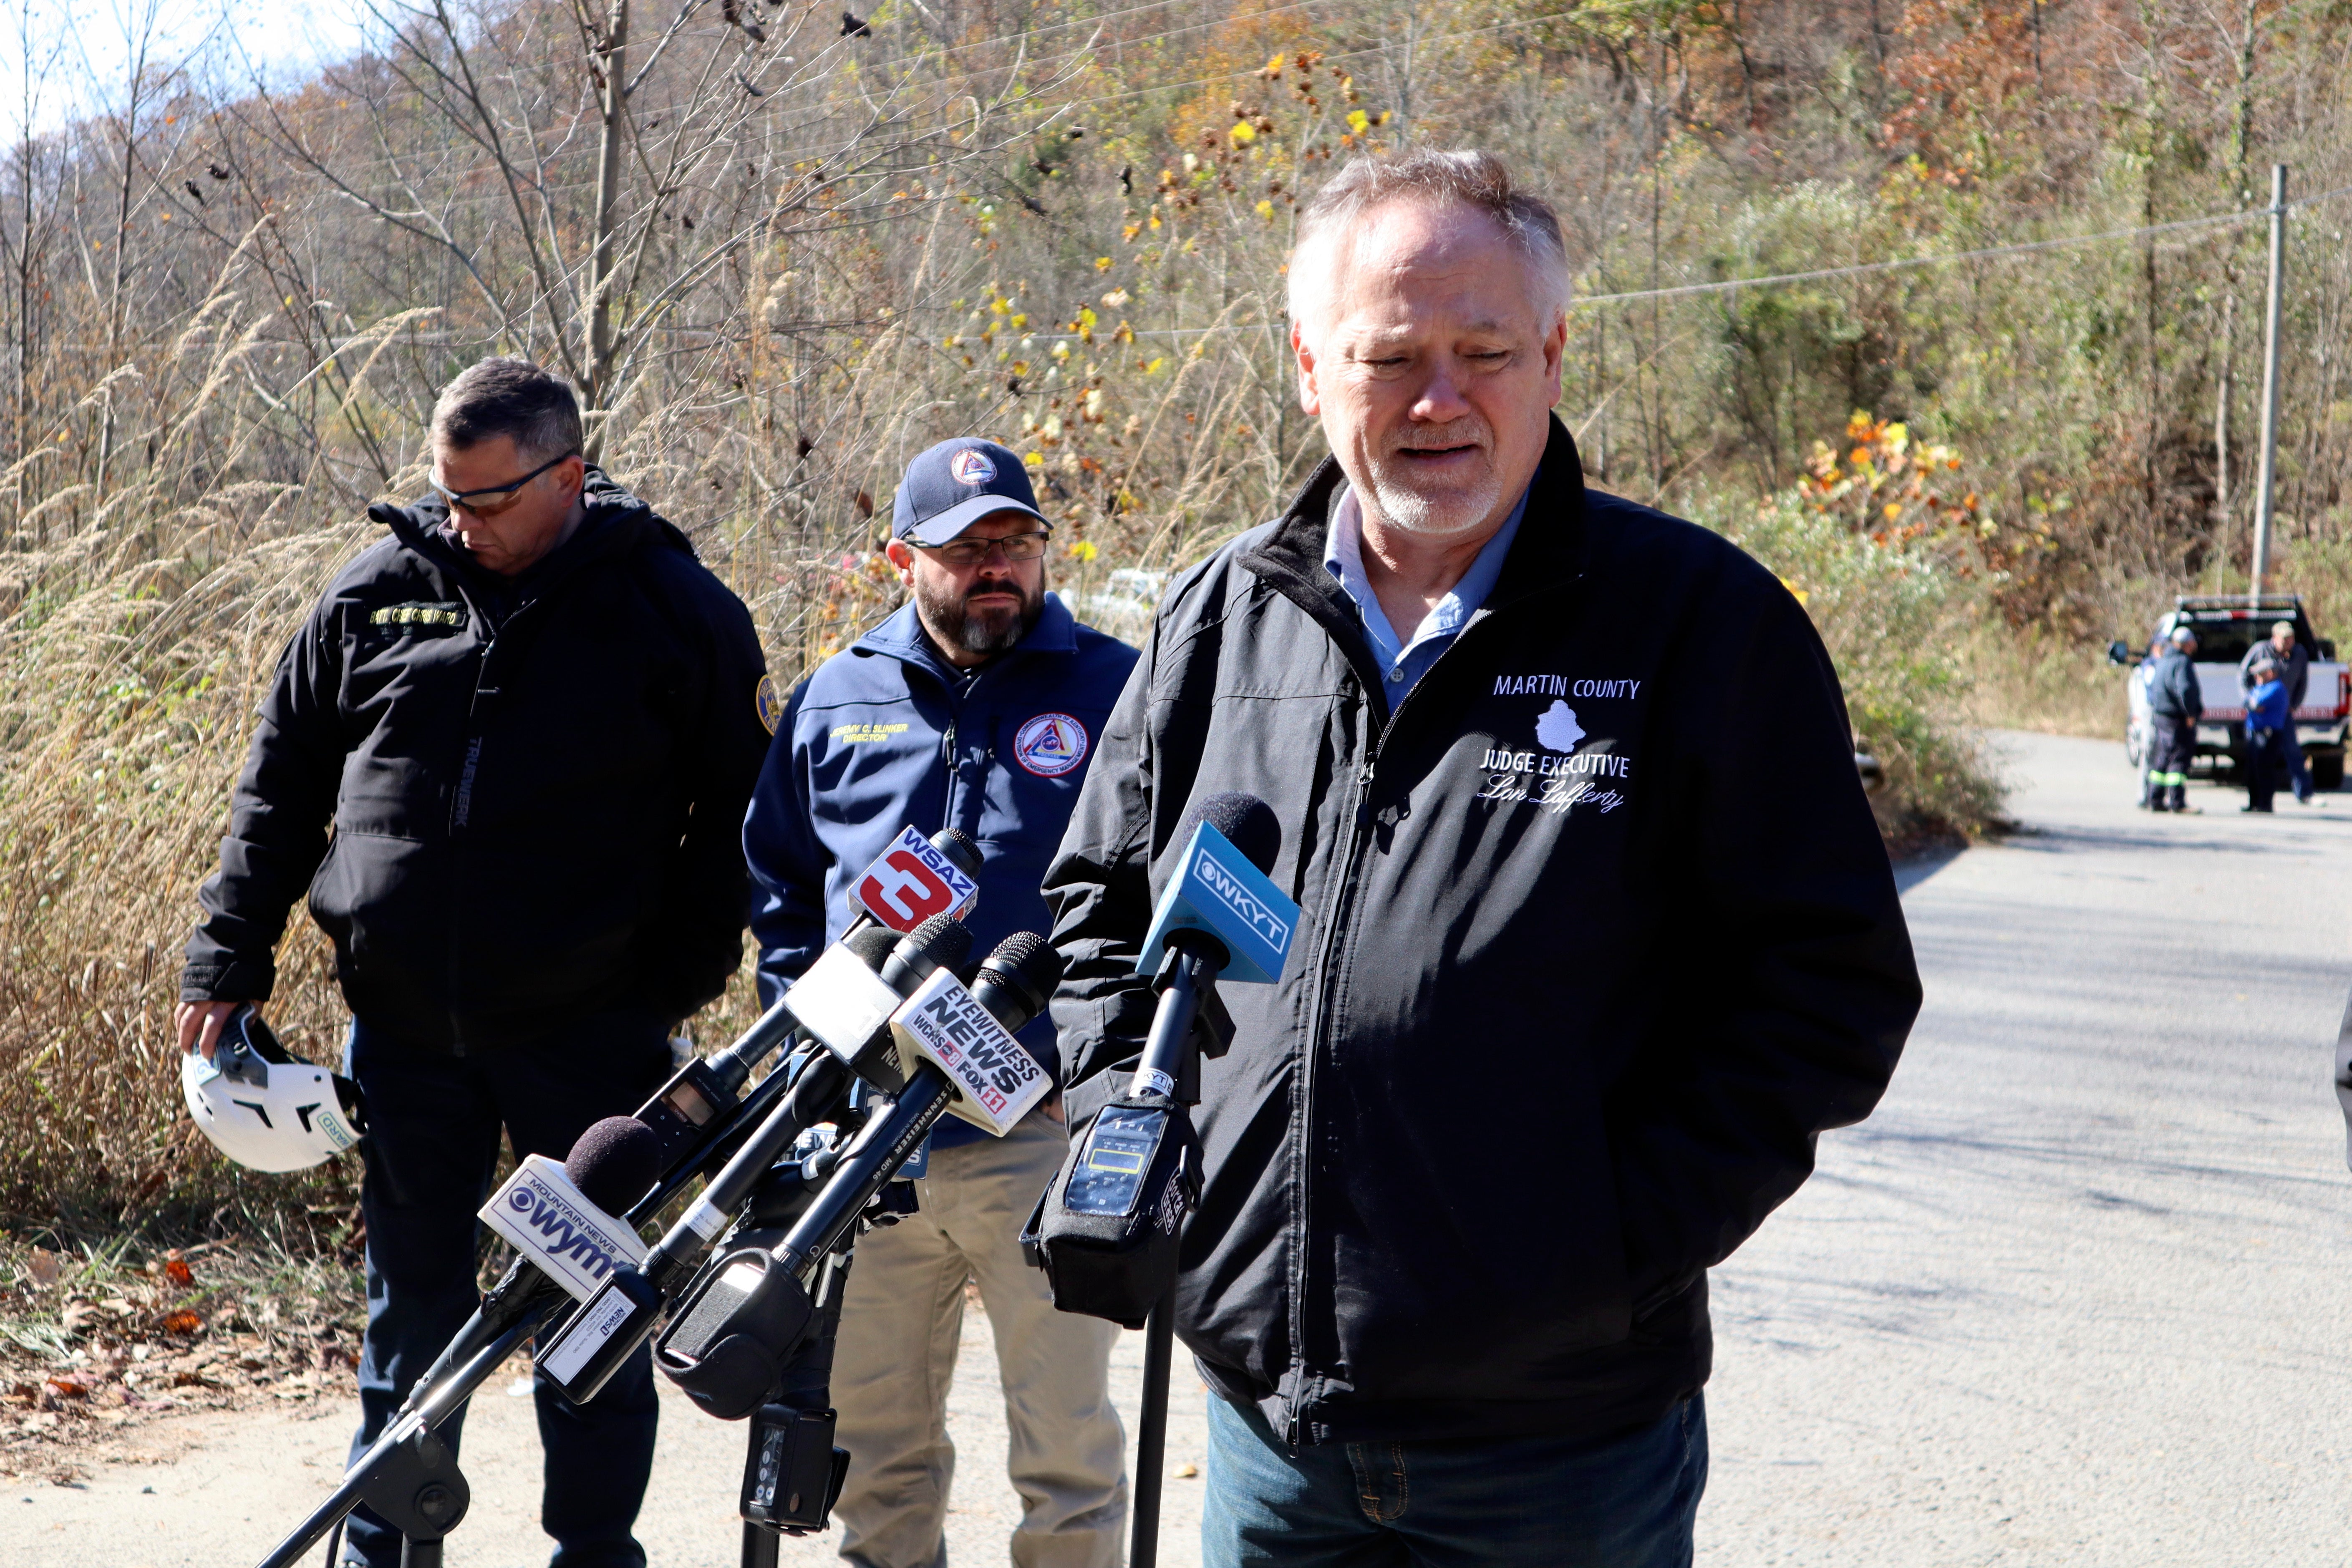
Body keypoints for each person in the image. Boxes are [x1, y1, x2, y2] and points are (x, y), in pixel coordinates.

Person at [1042, 149, 1922, 1568]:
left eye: (1484, 351)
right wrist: (1133, 1141)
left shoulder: (1698, 623)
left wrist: (1596, 1252)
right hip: (1272, 1443)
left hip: (1561, 1454)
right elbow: (1094, 913)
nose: (1439, 399)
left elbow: (1823, 993)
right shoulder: (1217, 619)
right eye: (1389, 355)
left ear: (1555, 352)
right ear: (1307, 364)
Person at [175, 358, 771, 1568]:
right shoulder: (376, 595)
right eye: (446, 495)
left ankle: (594, 1548)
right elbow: (279, 786)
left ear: (567, 474)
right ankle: (386, 1545)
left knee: (590, 1306)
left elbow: (740, 813)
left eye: (488, 500)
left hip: (590, 1039)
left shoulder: (671, 605)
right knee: (413, 1311)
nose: (462, 522)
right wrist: (226, 952)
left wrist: (673, 979)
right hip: (405, 1036)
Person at [742, 436, 1138, 1568]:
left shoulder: (1117, 689)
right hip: (868, 1146)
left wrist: (1103, 1077)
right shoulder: (833, 695)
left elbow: (1161, 889)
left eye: (1013, 542)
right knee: (876, 1455)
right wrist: (812, 1045)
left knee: (1067, 1456)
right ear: (899, 557)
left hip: (1041, 1133)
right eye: (964, 549)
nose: (994, 567)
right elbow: (777, 884)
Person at [2239, 619, 2313, 803]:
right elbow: (2242, 675)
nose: (2289, 642)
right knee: (2257, 756)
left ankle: (2304, 793)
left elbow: (2303, 682)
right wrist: (2250, 701)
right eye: (2285, 639)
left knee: (2293, 751)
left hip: (2284, 713)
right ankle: (2257, 800)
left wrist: (2295, 705)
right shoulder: (2260, 650)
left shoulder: (2300, 654)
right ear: (2275, 639)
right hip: (2261, 713)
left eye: (2292, 638)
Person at [2145, 625, 2203, 813]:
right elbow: (2185, 690)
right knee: (2179, 757)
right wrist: (2190, 714)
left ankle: (2155, 799)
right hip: (2178, 719)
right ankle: (2177, 802)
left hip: (2162, 717)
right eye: (2193, 643)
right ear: (2187, 644)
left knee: (2162, 757)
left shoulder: (2162, 661)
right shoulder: (2182, 663)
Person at [2243, 656, 2290, 813]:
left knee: (2265, 768)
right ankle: (2254, 803)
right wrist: (2253, 705)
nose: (2257, 678)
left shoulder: (2276, 688)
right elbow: (2248, 703)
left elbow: (2256, 704)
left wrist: (2254, 705)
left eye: (2260, 674)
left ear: (2270, 673)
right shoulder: (2260, 687)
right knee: (2253, 769)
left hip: (2268, 734)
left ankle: (2265, 804)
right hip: (2254, 732)